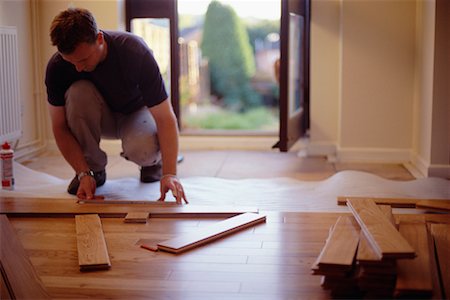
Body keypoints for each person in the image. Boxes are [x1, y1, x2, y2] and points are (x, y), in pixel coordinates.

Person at [45, 7, 187, 204]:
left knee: (143, 149)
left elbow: (165, 117)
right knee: (78, 91)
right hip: (101, 117)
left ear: (100, 39)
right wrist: (82, 173)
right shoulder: (57, 67)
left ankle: (153, 163)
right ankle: (93, 171)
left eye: (84, 59)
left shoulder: (135, 51)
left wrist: (170, 174)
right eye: (71, 62)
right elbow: (59, 126)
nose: (78, 68)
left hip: (136, 113)